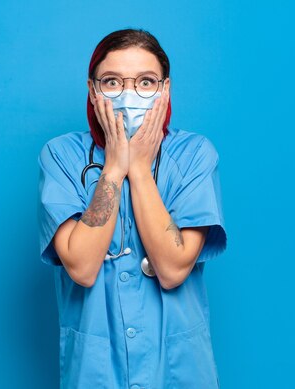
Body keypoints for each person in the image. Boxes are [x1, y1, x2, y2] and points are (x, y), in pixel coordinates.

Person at [38, 28, 227, 389]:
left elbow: (172, 268)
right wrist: (113, 166)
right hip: (96, 370)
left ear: (165, 89)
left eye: (146, 82)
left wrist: (139, 170)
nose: (129, 96)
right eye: (111, 82)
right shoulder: (61, 156)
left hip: (177, 368)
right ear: (93, 92)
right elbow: (81, 267)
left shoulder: (194, 156)